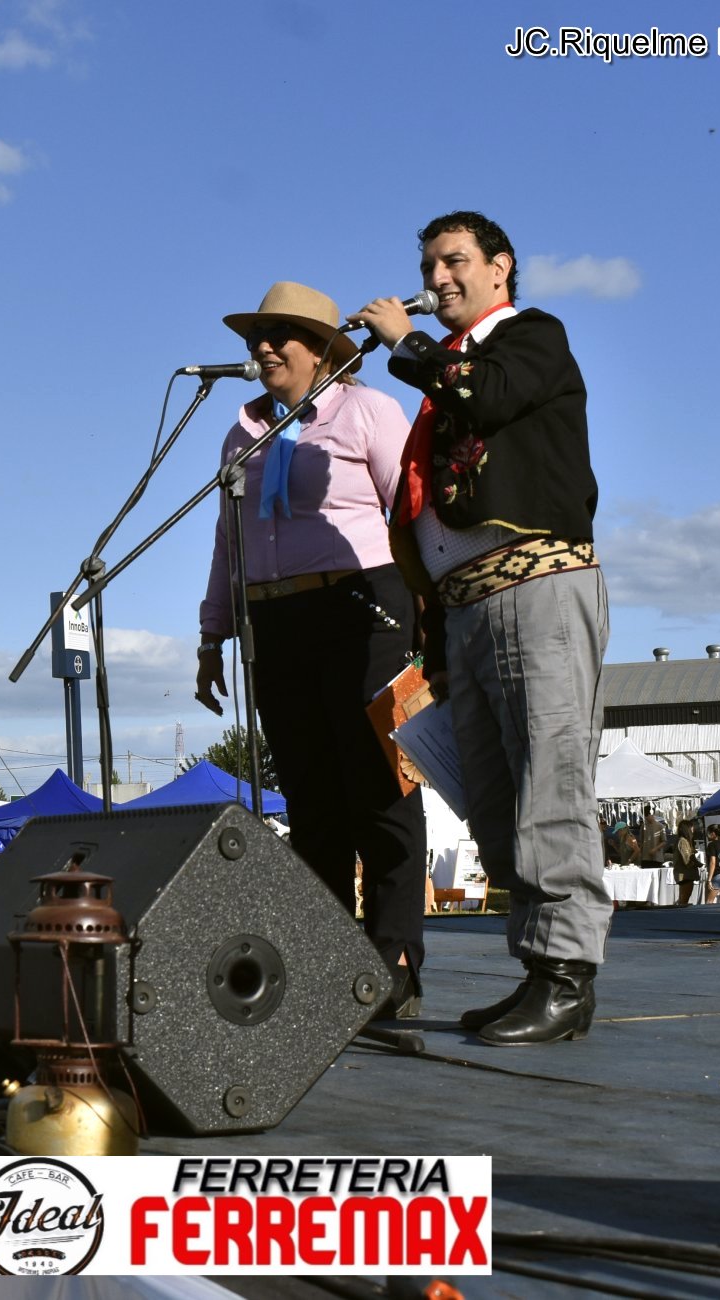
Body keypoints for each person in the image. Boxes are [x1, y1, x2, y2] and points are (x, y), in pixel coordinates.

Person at [355, 211, 609, 1045]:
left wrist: (406, 342)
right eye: (429, 266)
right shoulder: (456, 366)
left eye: (454, 261)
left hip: (535, 585)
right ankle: (540, 969)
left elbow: (486, 395)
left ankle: (567, 976)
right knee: (495, 799)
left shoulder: (530, 337)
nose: (437, 280)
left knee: (549, 781)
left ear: (500, 267)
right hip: (465, 606)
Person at [196, 281, 427, 1019]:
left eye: (279, 336)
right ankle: (328, 966)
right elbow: (228, 539)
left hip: (362, 605)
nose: (262, 348)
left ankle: (392, 962)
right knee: (310, 797)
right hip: (275, 619)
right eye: (254, 338)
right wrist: (212, 632)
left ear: (323, 349)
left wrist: (433, 612)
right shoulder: (242, 433)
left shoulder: (367, 410)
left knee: (378, 786)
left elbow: (411, 508)